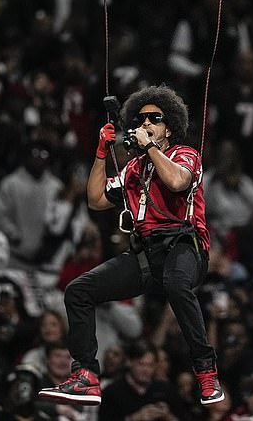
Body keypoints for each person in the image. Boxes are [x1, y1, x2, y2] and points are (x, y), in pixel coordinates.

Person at [38, 85, 223, 406]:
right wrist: (100, 152)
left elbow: (177, 182)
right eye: (141, 119)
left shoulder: (185, 155)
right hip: (146, 253)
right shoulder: (133, 168)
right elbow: (96, 201)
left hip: (185, 246)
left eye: (155, 118)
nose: (146, 123)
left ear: (170, 126)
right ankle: (86, 376)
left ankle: (206, 372)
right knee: (78, 291)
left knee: (177, 285)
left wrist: (149, 147)